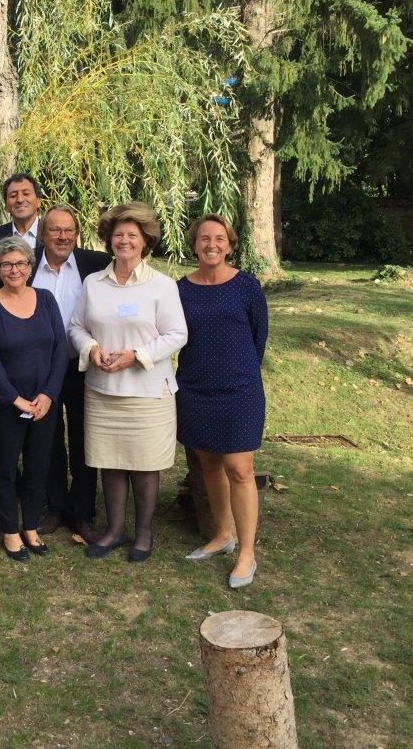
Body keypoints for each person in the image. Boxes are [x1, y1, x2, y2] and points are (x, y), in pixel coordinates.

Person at [69, 202, 188, 562]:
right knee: (112, 461)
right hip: (103, 390)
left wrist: (136, 355)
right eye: (118, 234)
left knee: (144, 464)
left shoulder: (161, 286)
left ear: (145, 241)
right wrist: (92, 349)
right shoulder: (93, 283)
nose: (124, 241)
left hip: (148, 392)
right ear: (109, 239)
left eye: (131, 235)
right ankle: (115, 530)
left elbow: (177, 333)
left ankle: (144, 534)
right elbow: (76, 327)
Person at [177, 214, 268, 589]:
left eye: (219, 238)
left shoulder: (247, 286)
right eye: (203, 238)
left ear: (229, 245)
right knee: (209, 464)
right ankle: (222, 534)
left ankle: (247, 551)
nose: (211, 244)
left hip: (239, 389)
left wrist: (240, 373)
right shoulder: (181, 289)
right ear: (194, 244)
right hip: (196, 388)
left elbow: (258, 337)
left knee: (240, 469)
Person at [0, 237, 69, 560]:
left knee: (38, 465)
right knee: (5, 466)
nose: (14, 270)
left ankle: (30, 526)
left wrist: (48, 394)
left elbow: (59, 351)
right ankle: (9, 529)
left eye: (20, 263)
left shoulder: (45, 300)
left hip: (44, 404)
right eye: (6, 264)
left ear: (30, 266)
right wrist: (14, 399)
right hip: (7, 404)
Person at [30, 206, 111, 545]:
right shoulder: (26, 263)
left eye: (69, 230)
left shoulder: (95, 265)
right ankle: (54, 508)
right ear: (42, 234)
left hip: (82, 366)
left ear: (77, 234)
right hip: (40, 368)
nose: (62, 236)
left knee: (83, 438)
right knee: (46, 439)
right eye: (54, 230)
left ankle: (82, 512)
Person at [0, 173, 43, 286]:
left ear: (38, 201)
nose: (20, 199)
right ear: (6, 206)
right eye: (13, 196)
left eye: (26, 193)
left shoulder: (53, 236)